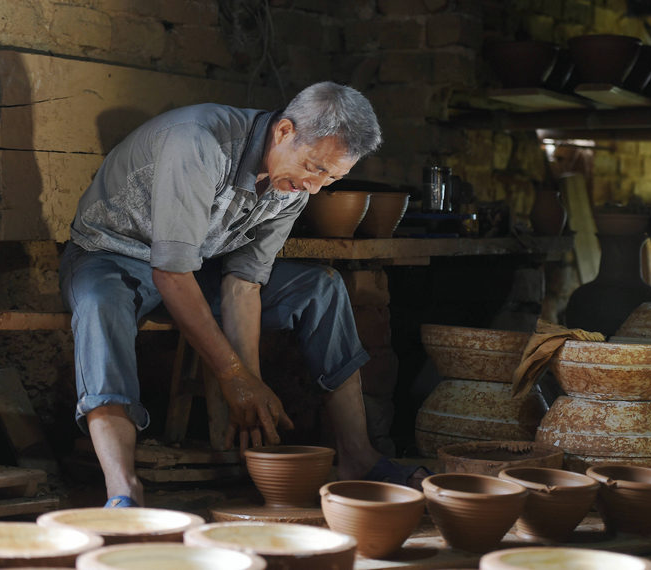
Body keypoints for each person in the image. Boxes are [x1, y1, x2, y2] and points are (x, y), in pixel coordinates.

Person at [60, 81, 428, 508]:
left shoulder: (294, 183)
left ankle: (358, 456)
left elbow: (243, 283)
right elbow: (171, 276)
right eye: (314, 168)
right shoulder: (200, 144)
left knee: (321, 288)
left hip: (197, 267)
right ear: (285, 131)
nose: (315, 187)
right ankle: (123, 489)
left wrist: (248, 389)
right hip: (110, 255)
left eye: (332, 177)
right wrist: (233, 376)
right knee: (100, 308)